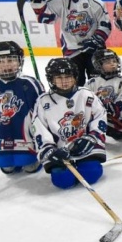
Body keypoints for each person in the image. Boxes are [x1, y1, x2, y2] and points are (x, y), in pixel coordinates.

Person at [32, 58, 107, 189]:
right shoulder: (43, 102)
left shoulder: (86, 94)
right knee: (62, 181)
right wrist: (50, 151)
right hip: (58, 150)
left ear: (75, 77)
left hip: (85, 144)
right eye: (59, 77)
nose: (64, 81)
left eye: (68, 76)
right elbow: (39, 128)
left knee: (92, 174)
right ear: (51, 79)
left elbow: (100, 116)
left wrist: (92, 137)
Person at [28, 0, 111, 86]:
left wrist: (95, 40)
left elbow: (105, 24)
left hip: (94, 50)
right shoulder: (58, 0)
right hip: (71, 51)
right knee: (76, 84)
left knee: (99, 82)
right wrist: (37, 2)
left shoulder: (97, 3)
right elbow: (46, 19)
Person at [0, 41, 44, 174]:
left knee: (29, 165)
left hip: (27, 139)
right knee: (5, 166)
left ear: (20, 61)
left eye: (11, 60)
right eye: (0, 61)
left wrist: (45, 138)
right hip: (1, 139)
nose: (6, 65)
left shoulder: (30, 84)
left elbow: (43, 113)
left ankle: (31, 158)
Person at [85, 48, 122, 140]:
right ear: (99, 65)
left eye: (114, 61)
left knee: (118, 132)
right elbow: (83, 101)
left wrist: (115, 109)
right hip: (97, 117)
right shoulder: (92, 82)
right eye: (108, 62)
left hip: (116, 121)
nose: (113, 64)